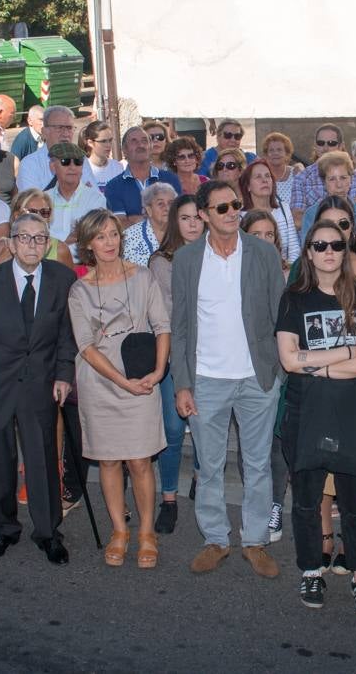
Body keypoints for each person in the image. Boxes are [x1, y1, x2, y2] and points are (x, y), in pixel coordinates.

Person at [170, 181, 285, 578]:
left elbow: (279, 315)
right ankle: (215, 539)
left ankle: (254, 540)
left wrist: (279, 372)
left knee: (258, 465)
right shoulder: (185, 261)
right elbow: (179, 327)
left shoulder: (263, 253)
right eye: (221, 208)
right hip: (206, 379)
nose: (233, 212)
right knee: (210, 464)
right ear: (203, 214)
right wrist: (182, 384)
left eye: (235, 205)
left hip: (258, 377)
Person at [276, 219, 356, 612]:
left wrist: (316, 363)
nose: (328, 252)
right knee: (306, 500)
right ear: (308, 252)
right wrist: (346, 351)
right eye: (319, 245)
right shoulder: (294, 298)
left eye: (336, 246)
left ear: (345, 250)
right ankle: (310, 572)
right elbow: (288, 360)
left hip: (354, 412)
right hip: (306, 412)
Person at [0, 213, 78, 565]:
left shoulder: (62, 278)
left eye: (40, 238)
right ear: (10, 244)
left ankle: (47, 531)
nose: (32, 244)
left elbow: (66, 336)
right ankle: (4, 529)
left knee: (42, 460)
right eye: (24, 238)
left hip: (41, 385)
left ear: (48, 243)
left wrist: (63, 375)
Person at [69, 209, 170, 568]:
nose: (109, 242)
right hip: (100, 384)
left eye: (113, 234)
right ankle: (119, 531)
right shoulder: (79, 290)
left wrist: (158, 371)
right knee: (109, 461)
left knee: (140, 461)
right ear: (88, 244)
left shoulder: (143, 277)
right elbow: (85, 345)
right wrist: (119, 381)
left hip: (141, 381)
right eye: (101, 236)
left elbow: (161, 325)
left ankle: (146, 532)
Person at [147, 194, 204, 534]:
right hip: (172, 355)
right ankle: (168, 498)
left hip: (211, 356)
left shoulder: (219, 256)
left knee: (202, 427)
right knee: (171, 427)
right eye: (185, 218)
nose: (193, 223)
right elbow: (170, 314)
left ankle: (200, 476)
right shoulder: (162, 261)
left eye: (198, 216)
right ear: (175, 223)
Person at [289, 125, 356, 224]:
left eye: (331, 143)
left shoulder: (352, 175)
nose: (325, 148)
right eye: (321, 143)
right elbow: (297, 219)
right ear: (315, 146)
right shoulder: (302, 178)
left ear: (341, 146)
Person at [105, 126, 181, 227]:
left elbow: (178, 217)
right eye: (134, 141)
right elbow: (120, 225)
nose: (140, 145)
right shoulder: (114, 186)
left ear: (150, 147)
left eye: (144, 141)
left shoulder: (171, 180)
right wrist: (159, 218)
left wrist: (135, 219)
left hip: (167, 242)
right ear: (124, 150)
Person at [299, 152, 356, 243]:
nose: (339, 185)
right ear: (324, 182)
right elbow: (308, 251)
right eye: (332, 179)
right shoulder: (312, 214)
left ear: (351, 180)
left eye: (343, 178)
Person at [45, 143, 107, 243]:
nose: (72, 167)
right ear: (52, 166)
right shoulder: (43, 200)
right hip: (49, 258)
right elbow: (38, 234)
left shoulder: (96, 199)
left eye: (78, 162)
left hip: (83, 258)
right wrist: (68, 238)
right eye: (65, 161)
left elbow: (91, 235)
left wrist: (52, 236)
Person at [240, 160, 299, 263]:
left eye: (268, 176)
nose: (265, 180)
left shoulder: (283, 209)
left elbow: (294, 250)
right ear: (248, 186)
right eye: (258, 177)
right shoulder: (240, 216)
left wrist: (288, 273)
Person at [16, 106, 80, 191]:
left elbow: (96, 198)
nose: (66, 134)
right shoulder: (29, 164)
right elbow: (31, 201)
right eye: (59, 128)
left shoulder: (81, 160)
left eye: (69, 128)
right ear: (45, 131)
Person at [121, 182, 176, 267]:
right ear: (149, 209)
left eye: (171, 203)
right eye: (160, 204)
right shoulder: (129, 237)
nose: (167, 208)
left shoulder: (183, 232)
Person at [261, 132, 300, 216]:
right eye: (271, 150)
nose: (275, 153)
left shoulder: (296, 174)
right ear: (266, 154)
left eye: (279, 150)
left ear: (287, 154)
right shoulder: (261, 176)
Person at [81, 120, 124, 190]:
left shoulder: (118, 167)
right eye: (103, 141)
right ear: (90, 142)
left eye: (110, 140)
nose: (108, 145)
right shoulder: (81, 169)